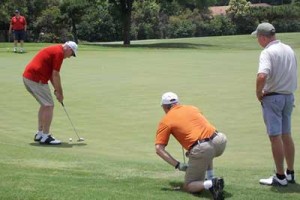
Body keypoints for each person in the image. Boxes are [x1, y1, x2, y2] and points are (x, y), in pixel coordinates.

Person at [155, 92, 227, 200]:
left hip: (203, 149)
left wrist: (178, 165)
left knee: (189, 186)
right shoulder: (192, 108)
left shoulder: (166, 121)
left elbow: (159, 149)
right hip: (220, 141)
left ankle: (211, 183)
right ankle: (211, 178)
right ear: (177, 103)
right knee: (206, 151)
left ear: (165, 107)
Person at [252, 22, 297, 186]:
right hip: (288, 97)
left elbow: (262, 76)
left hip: (273, 98)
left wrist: (258, 93)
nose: (258, 41)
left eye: (258, 37)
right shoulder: (288, 49)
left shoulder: (267, 52)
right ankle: (290, 173)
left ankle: (280, 176)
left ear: (263, 37)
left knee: (275, 136)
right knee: (286, 134)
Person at [23, 41, 78, 145]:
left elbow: (52, 76)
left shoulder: (56, 49)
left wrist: (57, 91)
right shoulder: (59, 53)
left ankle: (40, 134)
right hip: (35, 78)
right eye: (72, 54)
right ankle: (45, 136)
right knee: (49, 105)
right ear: (69, 49)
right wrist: (61, 94)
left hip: (29, 77)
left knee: (45, 105)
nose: (70, 57)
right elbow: (56, 75)